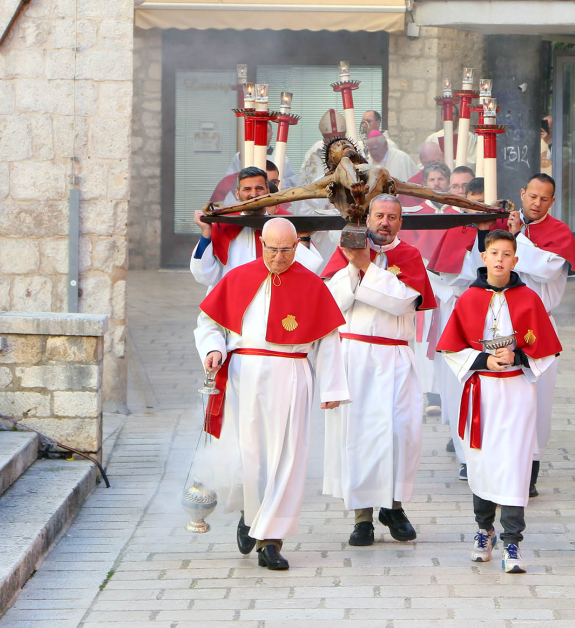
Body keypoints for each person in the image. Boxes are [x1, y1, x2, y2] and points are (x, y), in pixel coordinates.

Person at [194, 218, 349, 571]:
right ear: (261, 244)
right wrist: (213, 350)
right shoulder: (237, 277)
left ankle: (271, 538)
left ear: (297, 246)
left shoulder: (311, 284)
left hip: (291, 373)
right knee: (249, 454)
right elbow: (208, 324)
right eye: (272, 249)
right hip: (242, 375)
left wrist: (332, 386)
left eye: (286, 250)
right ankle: (251, 515)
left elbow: (328, 341)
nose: (278, 257)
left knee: (287, 457)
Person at [437, 229, 562, 574]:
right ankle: (483, 529)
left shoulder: (529, 298)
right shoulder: (468, 299)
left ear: (515, 260)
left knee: (515, 462)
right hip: (483, 392)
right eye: (494, 253)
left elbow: (547, 347)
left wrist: (519, 354)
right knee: (482, 461)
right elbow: (450, 347)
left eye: (507, 254)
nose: (500, 260)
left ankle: (512, 541)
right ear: (484, 257)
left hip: (518, 391)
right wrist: (483, 361)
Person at [320, 194, 436, 546]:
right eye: (379, 216)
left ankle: (394, 507)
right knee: (357, 437)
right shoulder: (345, 253)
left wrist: (366, 268)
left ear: (401, 222)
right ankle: (362, 518)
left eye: (392, 217)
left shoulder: (409, 256)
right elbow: (331, 303)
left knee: (401, 435)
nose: (385, 222)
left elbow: (403, 301)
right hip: (354, 357)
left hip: (395, 359)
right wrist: (354, 265)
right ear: (367, 219)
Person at [497, 174, 575, 496]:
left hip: (538, 326)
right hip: (501, 324)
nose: (536, 203)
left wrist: (517, 238)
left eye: (543, 198)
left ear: (552, 201)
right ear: (522, 193)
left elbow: (547, 269)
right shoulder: (503, 225)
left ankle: (530, 469)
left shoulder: (558, 232)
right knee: (503, 397)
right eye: (531, 195)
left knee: (538, 399)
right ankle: (502, 465)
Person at [427, 177, 491, 477]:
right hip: (460, 311)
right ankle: (465, 453)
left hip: (495, 318)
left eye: (484, 200)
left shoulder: (505, 233)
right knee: (457, 383)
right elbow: (441, 277)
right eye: (473, 200)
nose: (478, 207)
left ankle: (489, 450)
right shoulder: (455, 230)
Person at [192, 166, 324, 289]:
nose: (254, 195)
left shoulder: (284, 225)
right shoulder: (223, 225)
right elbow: (204, 276)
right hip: (233, 299)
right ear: (237, 194)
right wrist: (206, 233)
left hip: (274, 299)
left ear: (267, 191)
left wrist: (304, 236)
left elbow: (307, 270)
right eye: (247, 189)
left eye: (259, 188)